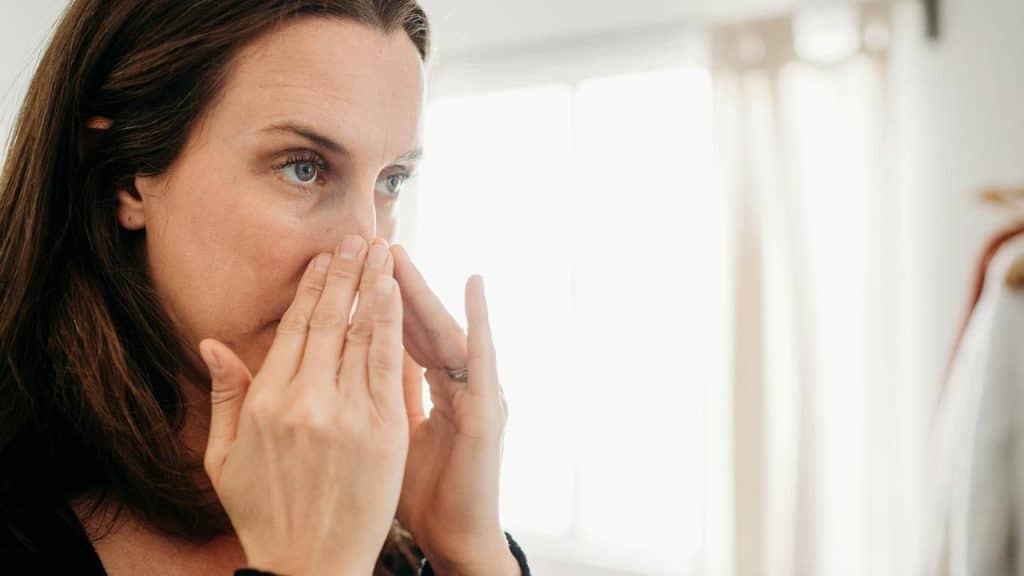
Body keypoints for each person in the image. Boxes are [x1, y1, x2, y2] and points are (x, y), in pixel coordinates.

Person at [0, 1, 528, 574]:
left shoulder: (383, 528)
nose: (364, 243)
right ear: (124, 177)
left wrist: (469, 552)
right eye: (303, 167)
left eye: (391, 180)